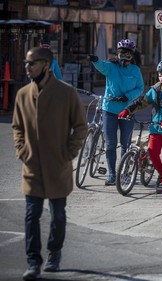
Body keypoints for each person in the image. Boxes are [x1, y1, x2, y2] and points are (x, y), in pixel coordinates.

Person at [12, 47, 88, 280]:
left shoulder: (66, 93)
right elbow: (17, 128)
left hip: (58, 166)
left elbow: (81, 127)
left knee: (58, 216)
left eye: (32, 63)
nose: (27, 67)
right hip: (32, 167)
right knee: (31, 214)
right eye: (26, 63)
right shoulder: (23, 94)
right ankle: (33, 262)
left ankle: (54, 253)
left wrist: (68, 152)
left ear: (46, 65)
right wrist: (22, 150)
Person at [118, 60, 162, 194]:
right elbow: (142, 101)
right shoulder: (155, 88)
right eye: (160, 74)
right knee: (153, 153)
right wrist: (128, 110)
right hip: (155, 127)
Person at [88, 39, 144, 185]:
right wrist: (94, 59)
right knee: (111, 144)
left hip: (127, 110)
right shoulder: (111, 67)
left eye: (128, 55)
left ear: (132, 56)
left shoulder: (135, 71)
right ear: (117, 54)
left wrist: (128, 97)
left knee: (125, 143)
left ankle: (124, 173)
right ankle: (112, 174)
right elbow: (101, 65)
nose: (124, 58)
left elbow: (140, 88)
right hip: (110, 109)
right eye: (121, 54)